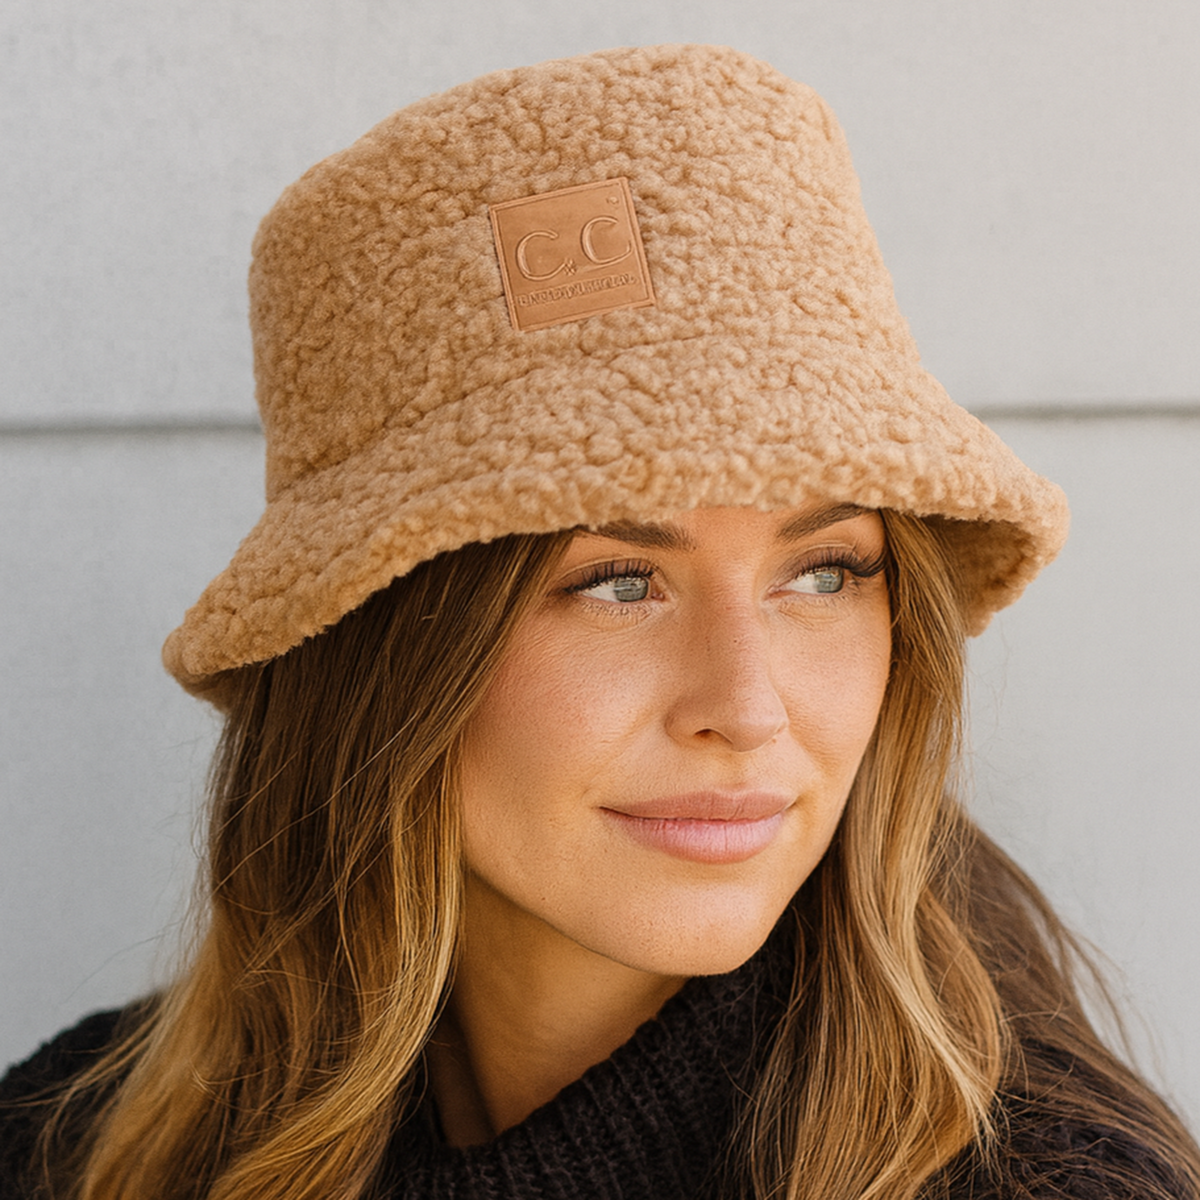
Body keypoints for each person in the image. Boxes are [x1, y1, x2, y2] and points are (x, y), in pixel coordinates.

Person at [1, 43, 1197, 1200]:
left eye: (825, 572)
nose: (746, 707)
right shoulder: (79, 1151)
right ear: (375, 655)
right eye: (618, 582)